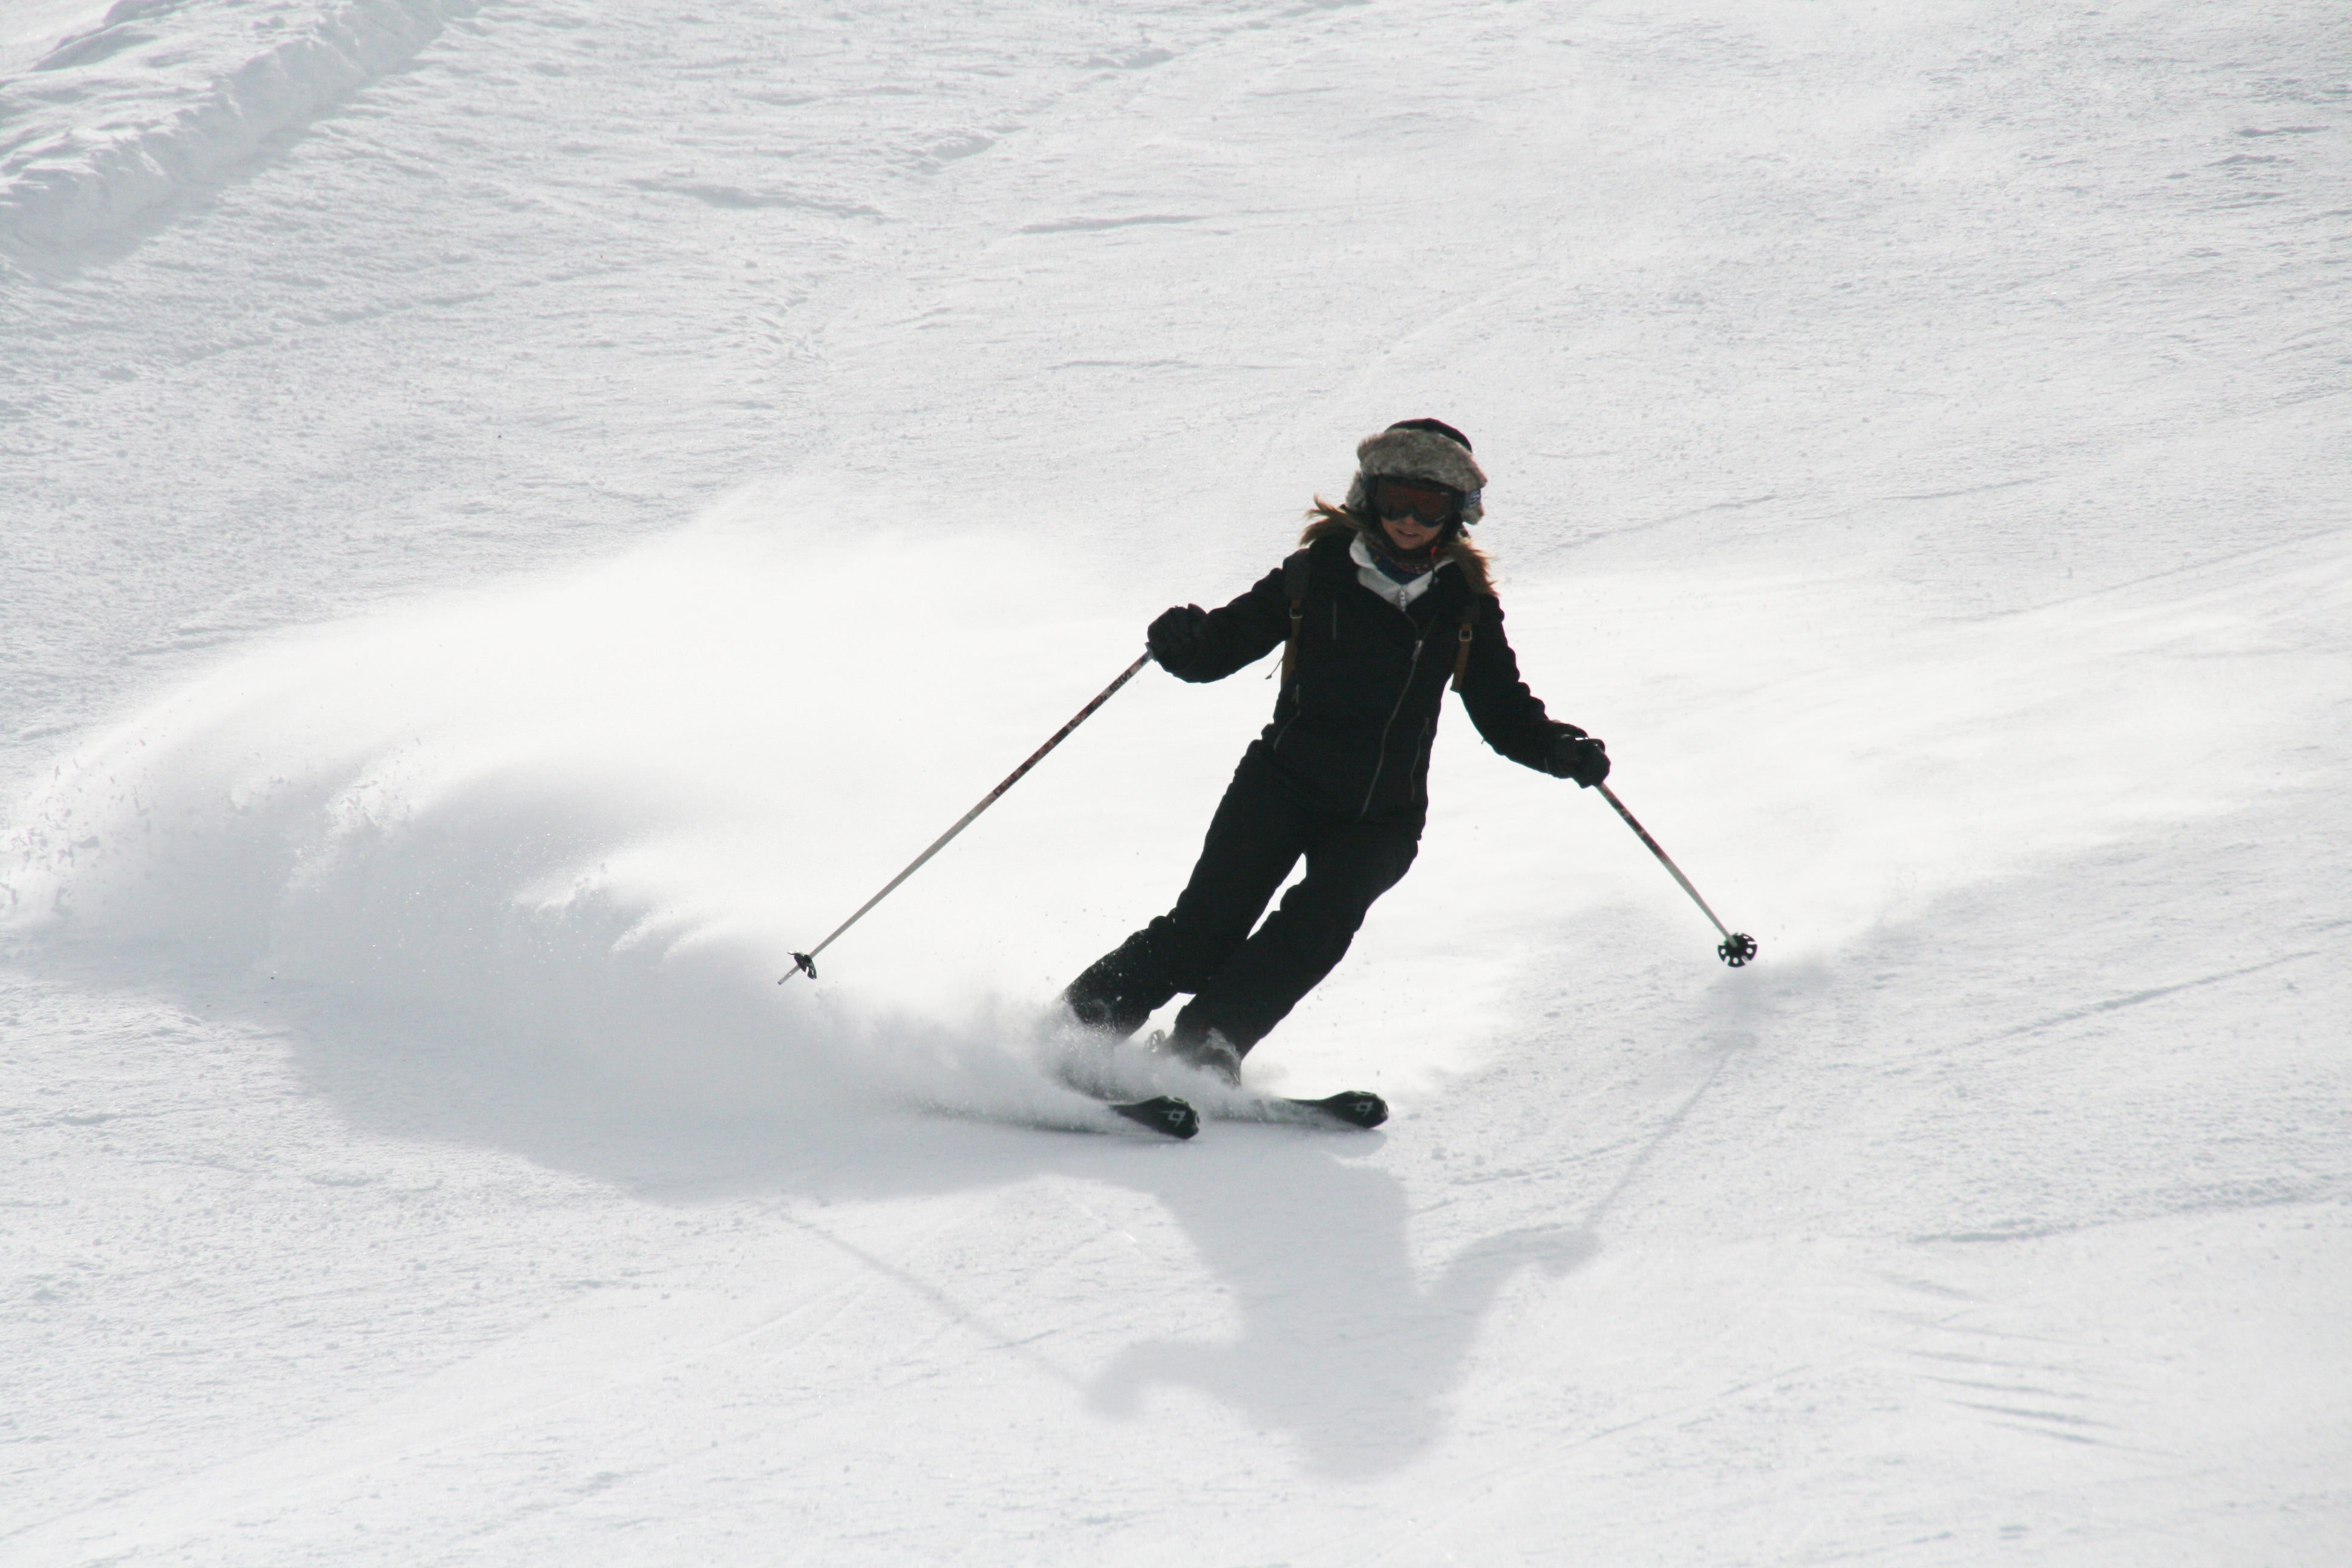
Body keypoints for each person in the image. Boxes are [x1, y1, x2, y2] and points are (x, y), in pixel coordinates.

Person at [1060, 419, 1610, 1080]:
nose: (1408, 519)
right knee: (1205, 930)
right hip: (1281, 785)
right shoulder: (1316, 574)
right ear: (1367, 497)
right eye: (1395, 498)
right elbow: (1225, 646)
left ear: (1458, 512)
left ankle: (1207, 1045)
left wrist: (1557, 748)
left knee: (1316, 931)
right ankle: (1074, 1032)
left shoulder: (1463, 606)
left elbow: (1503, 713)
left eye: (1429, 504)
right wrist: (1186, 642)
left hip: (1382, 815)